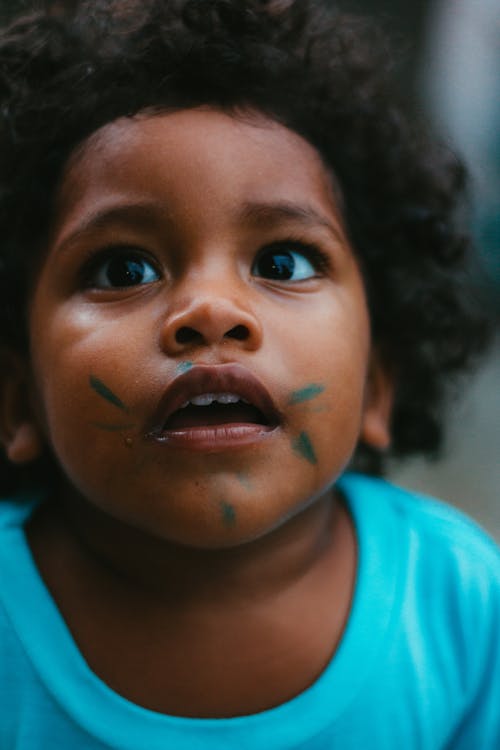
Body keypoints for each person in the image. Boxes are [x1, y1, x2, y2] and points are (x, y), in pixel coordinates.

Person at [0, 1, 498, 747]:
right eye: (123, 268)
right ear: (16, 402)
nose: (210, 311)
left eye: (282, 262)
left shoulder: (459, 605)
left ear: (378, 384)